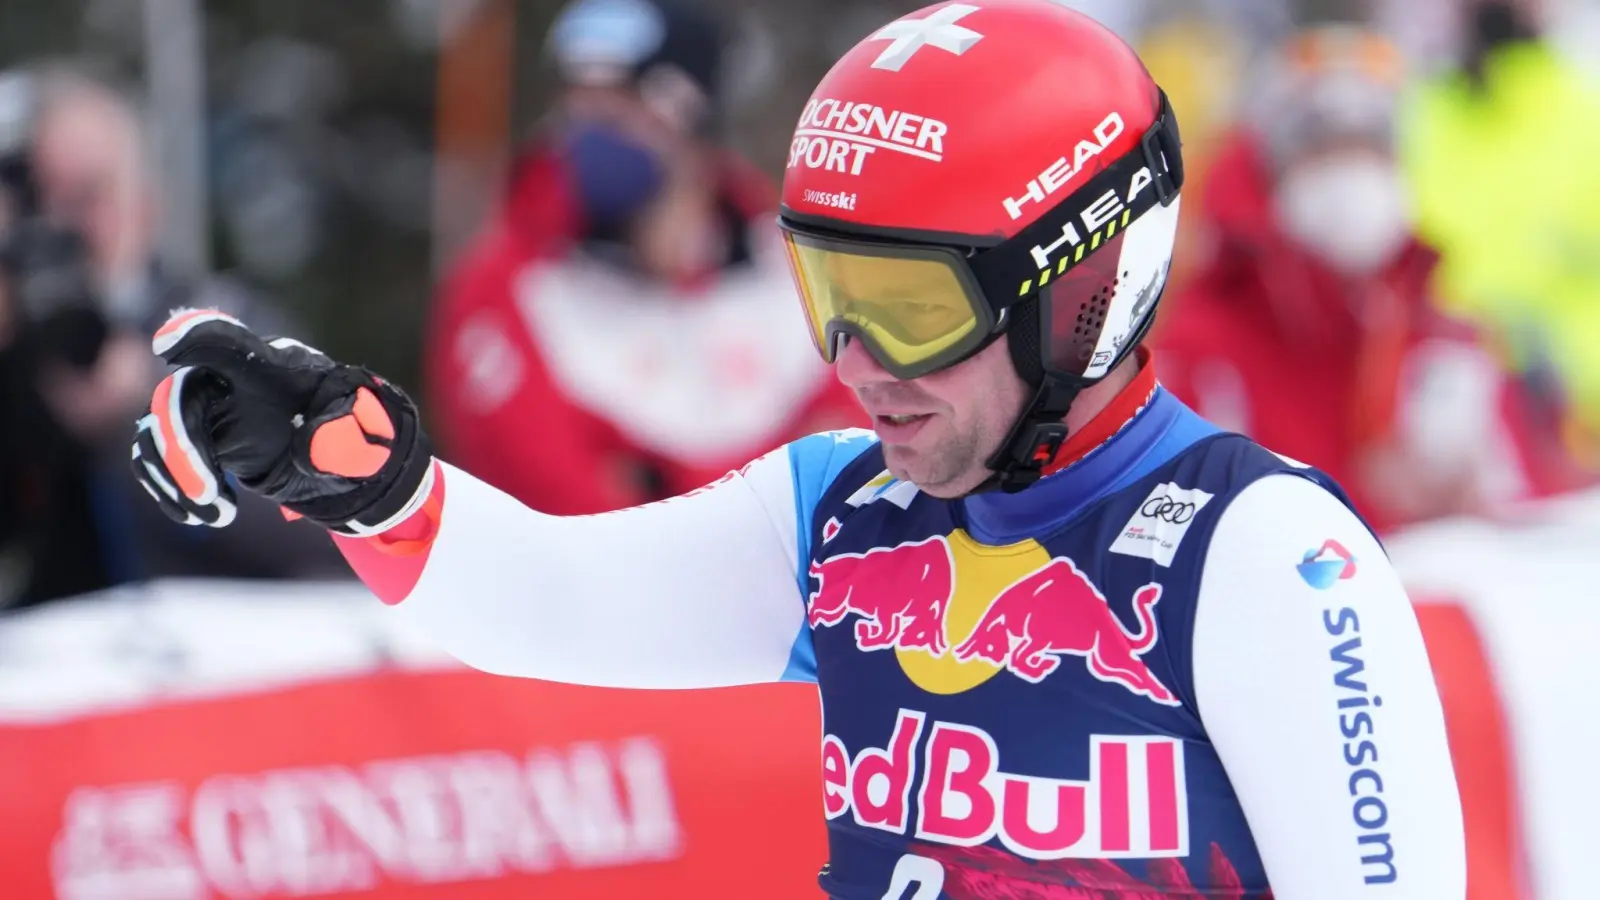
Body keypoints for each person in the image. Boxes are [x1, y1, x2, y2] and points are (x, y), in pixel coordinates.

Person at [127, 2, 1465, 896]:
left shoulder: (1267, 557)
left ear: (1083, 287)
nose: (859, 365)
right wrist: (357, 477)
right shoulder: (846, 513)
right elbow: (548, 600)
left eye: (915, 307)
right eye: (830, 290)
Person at [426, 0, 864, 515]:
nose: (589, 133)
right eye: (576, 101)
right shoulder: (505, 288)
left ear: (688, 109)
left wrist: (655, 479)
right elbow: (560, 505)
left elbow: (855, 459)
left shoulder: (791, 267)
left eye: (619, 103)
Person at [1151, 25, 1580, 535]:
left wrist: (1469, 496)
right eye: (1325, 149)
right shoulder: (1204, 340)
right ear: (1273, 174)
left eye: (1370, 147)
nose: (1351, 174)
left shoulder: (1446, 337)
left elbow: (1543, 524)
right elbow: (1175, 529)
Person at [0, 64, 345, 609]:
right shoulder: (20, 350)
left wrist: (150, 414)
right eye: (41, 198)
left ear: (145, 204)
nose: (63, 226)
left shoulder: (221, 332)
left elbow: (333, 522)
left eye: (88, 195)